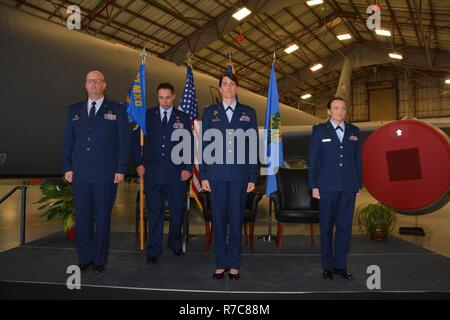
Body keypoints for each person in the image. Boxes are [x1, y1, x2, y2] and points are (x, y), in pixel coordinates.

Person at [62, 70, 130, 273]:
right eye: (89, 81)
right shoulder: (74, 110)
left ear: (104, 85)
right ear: (85, 85)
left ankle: (99, 259)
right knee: (82, 218)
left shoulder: (116, 109)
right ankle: (85, 257)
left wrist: (121, 168)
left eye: (97, 81)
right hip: (80, 174)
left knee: (102, 219)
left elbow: (124, 143)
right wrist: (67, 166)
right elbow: (68, 141)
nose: (93, 84)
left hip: (105, 174)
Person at [200, 73, 258, 280]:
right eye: (225, 84)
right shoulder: (210, 113)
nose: (228, 87)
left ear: (237, 88)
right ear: (220, 88)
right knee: (218, 220)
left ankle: (233, 263)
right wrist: (204, 174)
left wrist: (253, 176)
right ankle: (220, 262)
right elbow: (204, 145)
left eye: (232, 84)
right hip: (215, 176)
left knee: (235, 221)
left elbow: (252, 146)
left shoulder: (248, 113)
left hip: (239, 176)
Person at [132, 83, 193, 264]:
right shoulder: (147, 116)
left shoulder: (182, 117)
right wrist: (139, 164)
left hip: (177, 174)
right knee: (155, 212)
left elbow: (189, 144)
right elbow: (135, 142)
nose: (164, 101)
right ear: (157, 97)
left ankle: (174, 243)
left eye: (167, 97)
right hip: (153, 173)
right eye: (161, 97)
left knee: (177, 212)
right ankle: (154, 249)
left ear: (173, 96)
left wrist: (188, 168)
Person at [308, 96, 362, 280]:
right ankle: (327, 267)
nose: (340, 111)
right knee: (326, 227)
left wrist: (358, 182)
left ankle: (340, 266)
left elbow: (357, 160)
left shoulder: (354, 131)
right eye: (336, 108)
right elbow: (313, 160)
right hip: (326, 187)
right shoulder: (319, 131)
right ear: (329, 111)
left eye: (343, 108)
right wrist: (313, 185)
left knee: (345, 228)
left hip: (348, 186)